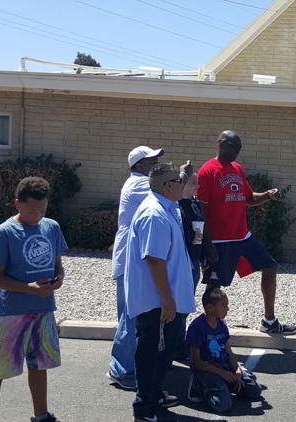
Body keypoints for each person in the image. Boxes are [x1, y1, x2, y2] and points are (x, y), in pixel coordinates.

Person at [197, 130, 296, 334]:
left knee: (270, 267)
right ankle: (209, 329)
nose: (237, 151)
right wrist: (207, 245)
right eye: (234, 146)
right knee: (214, 287)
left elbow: (249, 198)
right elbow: (201, 212)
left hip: (242, 236)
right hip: (219, 240)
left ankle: (269, 322)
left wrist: (267, 195)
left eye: (240, 148)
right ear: (221, 144)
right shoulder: (207, 172)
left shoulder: (237, 169)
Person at [124, 163, 196, 422]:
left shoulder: (165, 206)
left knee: (162, 353)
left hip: (165, 300)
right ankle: (144, 406)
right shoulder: (154, 214)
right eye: (179, 180)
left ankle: (154, 396)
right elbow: (154, 260)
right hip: (158, 302)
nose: (183, 183)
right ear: (168, 186)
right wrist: (166, 298)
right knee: (152, 353)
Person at [0, 177, 67, 422]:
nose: (37, 215)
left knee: (39, 365)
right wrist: (29, 288)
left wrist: (58, 280)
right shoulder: (4, 233)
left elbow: (58, 265)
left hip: (44, 309)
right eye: (30, 210)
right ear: (17, 204)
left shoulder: (51, 227)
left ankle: (42, 415)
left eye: (42, 210)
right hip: (12, 313)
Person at [108, 145, 164, 390]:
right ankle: (120, 370)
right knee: (130, 317)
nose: (157, 164)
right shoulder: (139, 184)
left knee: (136, 315)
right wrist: (184, 176)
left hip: (133, 261)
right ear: (139, 166)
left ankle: (133, 364)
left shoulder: (138, 182)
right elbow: (166, 190)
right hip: (129, 262)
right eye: (152, 160)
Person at [185, 288, 262, 413]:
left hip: (223, 365)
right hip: (208, 368)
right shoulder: (197, 327)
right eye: (224, 306)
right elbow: (196, 361)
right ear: (210, 307)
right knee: (223, 405)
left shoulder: (222, 324)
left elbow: (229, 352)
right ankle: (197, 384)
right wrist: (222, 373)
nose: (228, 309)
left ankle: (223, 385)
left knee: (255, 391)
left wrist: (237, 371)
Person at [175, 160, 208, 360]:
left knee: (186, 305)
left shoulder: (194, 204)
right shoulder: (174, 205)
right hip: (180, 262)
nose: (197, 186)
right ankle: (176, 346)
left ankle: (180, 343)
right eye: (193, 182)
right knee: (178, 307)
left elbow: (199, 231)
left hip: (194, 262)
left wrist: (203, 256)